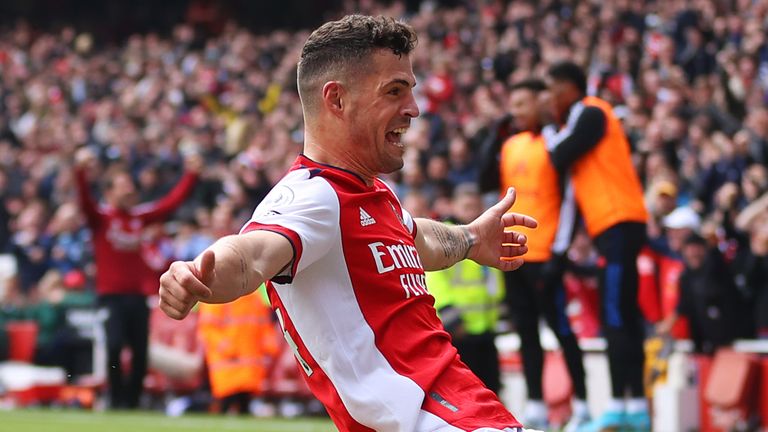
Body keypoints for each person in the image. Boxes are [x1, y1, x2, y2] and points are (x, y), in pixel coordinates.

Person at [159, 15, 540, 432]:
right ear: (337, 100)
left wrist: (468, 238)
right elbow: (252, 254)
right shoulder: (313, 196)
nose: (412, 108)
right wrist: (199, 274)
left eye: (410, 91)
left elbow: (418, 239)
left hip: (465, 412)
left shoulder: (371, 195)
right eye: (394, 91)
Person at [543, 61, 650, 432]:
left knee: (617, 316)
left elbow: (557, 155)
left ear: (570, 88)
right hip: (613, 224)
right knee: (619, 315)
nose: (550, 99)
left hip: (618, 219)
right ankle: (630, 403)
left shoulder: (590, 111)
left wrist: (545, 129)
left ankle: (628, 406)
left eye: (553, 91)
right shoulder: (584, 123)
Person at [497, 79, 589, 431]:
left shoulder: (556, 141)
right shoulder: (510, 145)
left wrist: (560, 252)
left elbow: (569, 198)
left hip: (547, 254)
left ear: (540, 103)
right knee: (526, 334)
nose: (515, 111)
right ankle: (535, 406)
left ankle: (581, 405)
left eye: (522, 103)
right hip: (514, 254)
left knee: (563, 331)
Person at [75, 148, 199, 409]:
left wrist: (191, 174)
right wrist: (80, 172)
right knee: (114, 345)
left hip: (137, 296)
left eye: (129, 185)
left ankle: (132, 401)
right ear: (109, 192)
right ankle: (116, 397)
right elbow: (84, 201)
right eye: (122, 186)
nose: (129, 190)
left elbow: (170, 203)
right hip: (110, 297)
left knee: (141, 351)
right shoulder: (101, 219)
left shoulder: (139, 218)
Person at [425, 183, 505, 395]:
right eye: (466, 206)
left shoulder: (485, 236)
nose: (471, 211)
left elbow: (493, 278)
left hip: (486, 328)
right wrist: (451, 316)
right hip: (458, 330)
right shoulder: (446, 234)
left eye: (475, 206)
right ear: (454, 206)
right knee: (465, 392)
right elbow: (434, 278)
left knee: (491, 390)